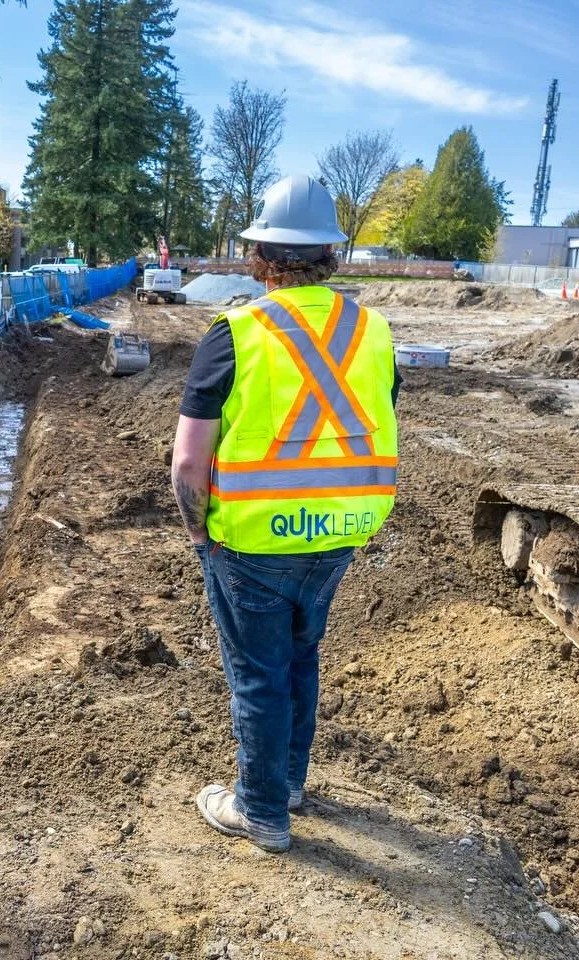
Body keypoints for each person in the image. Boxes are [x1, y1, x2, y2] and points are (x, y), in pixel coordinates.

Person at [170, 175, 400, 853]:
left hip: (250, 540)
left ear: (260, 255)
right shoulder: (374, 329)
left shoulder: (235, 332)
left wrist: (198, 532)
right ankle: (291, 782)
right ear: (332, 252)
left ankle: (262, 810)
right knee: (300, 656)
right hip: (339, 533)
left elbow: (188, 463)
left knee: (257, 674)